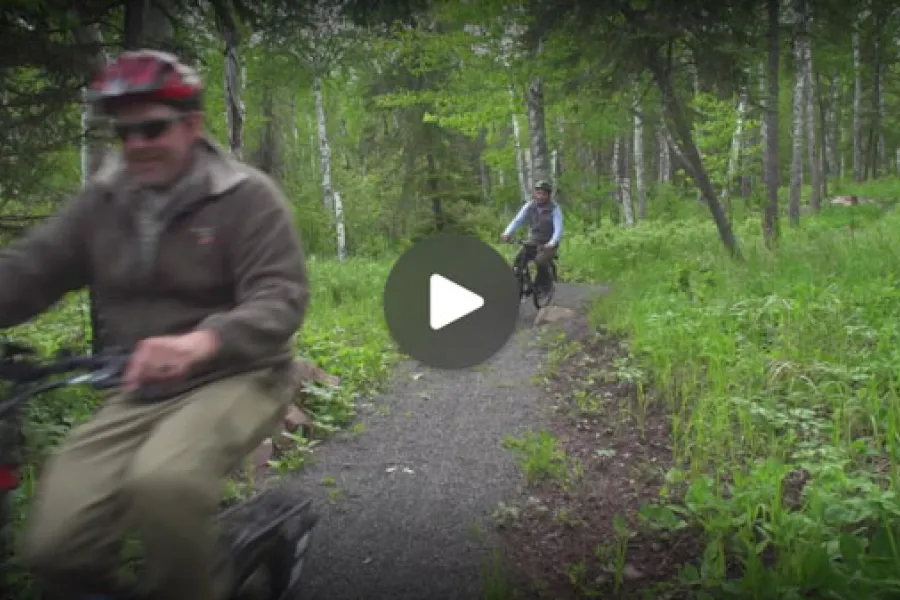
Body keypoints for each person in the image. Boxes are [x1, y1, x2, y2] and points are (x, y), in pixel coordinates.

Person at [0, 49, 309, 600]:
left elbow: (281, 297)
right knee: (55, 541)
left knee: (165, 483)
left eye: (152, 129)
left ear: (192, 125)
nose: (137, 146)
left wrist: (202, 341)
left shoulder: (245, 197)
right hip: (143, 386)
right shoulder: (105, 201)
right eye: (125, 134)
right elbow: (32, 268)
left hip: (241, 374)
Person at [500, 180, 563, 294]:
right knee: (519, 261)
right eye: (538, 193)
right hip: (533, 240)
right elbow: (518, 220)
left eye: (544, 194)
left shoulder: (554, 209)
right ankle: (519, 284)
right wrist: (507, 232)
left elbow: (558, 228)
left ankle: (545, 285)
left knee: (540, 261)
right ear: (535, 193)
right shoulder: (529, 206)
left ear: (548, 195)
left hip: (548, 243)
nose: (540, 196)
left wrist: (552, 242)